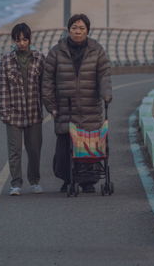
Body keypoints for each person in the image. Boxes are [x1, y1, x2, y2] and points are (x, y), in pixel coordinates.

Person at [42, 13, 113, 193]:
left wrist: (106, 94)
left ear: (88, 30)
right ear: (68, 30)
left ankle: (88, 181)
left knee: (89, 147)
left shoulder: (97, 50)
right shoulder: (56, 51)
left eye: (82, 28)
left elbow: (104, 75)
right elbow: (47, 80)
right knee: (65, 148)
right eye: (74, 28)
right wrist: (51, 106)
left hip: (90, 108)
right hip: (65, 108)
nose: (78, 32)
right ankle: (67, 179)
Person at [0, 23, 45, 196]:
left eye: (25, 39)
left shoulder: (39, 58)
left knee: (34, 150)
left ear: (30, 39)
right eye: (18, 40)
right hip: (13, 114)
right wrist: (4, 112)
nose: (22, 43)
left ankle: (35, 181)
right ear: (14, 40)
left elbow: (44, 86)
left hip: (34, 113)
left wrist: (47, 108)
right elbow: (2, 88)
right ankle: (16, 183)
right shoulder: (6, 60)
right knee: (14, 151)